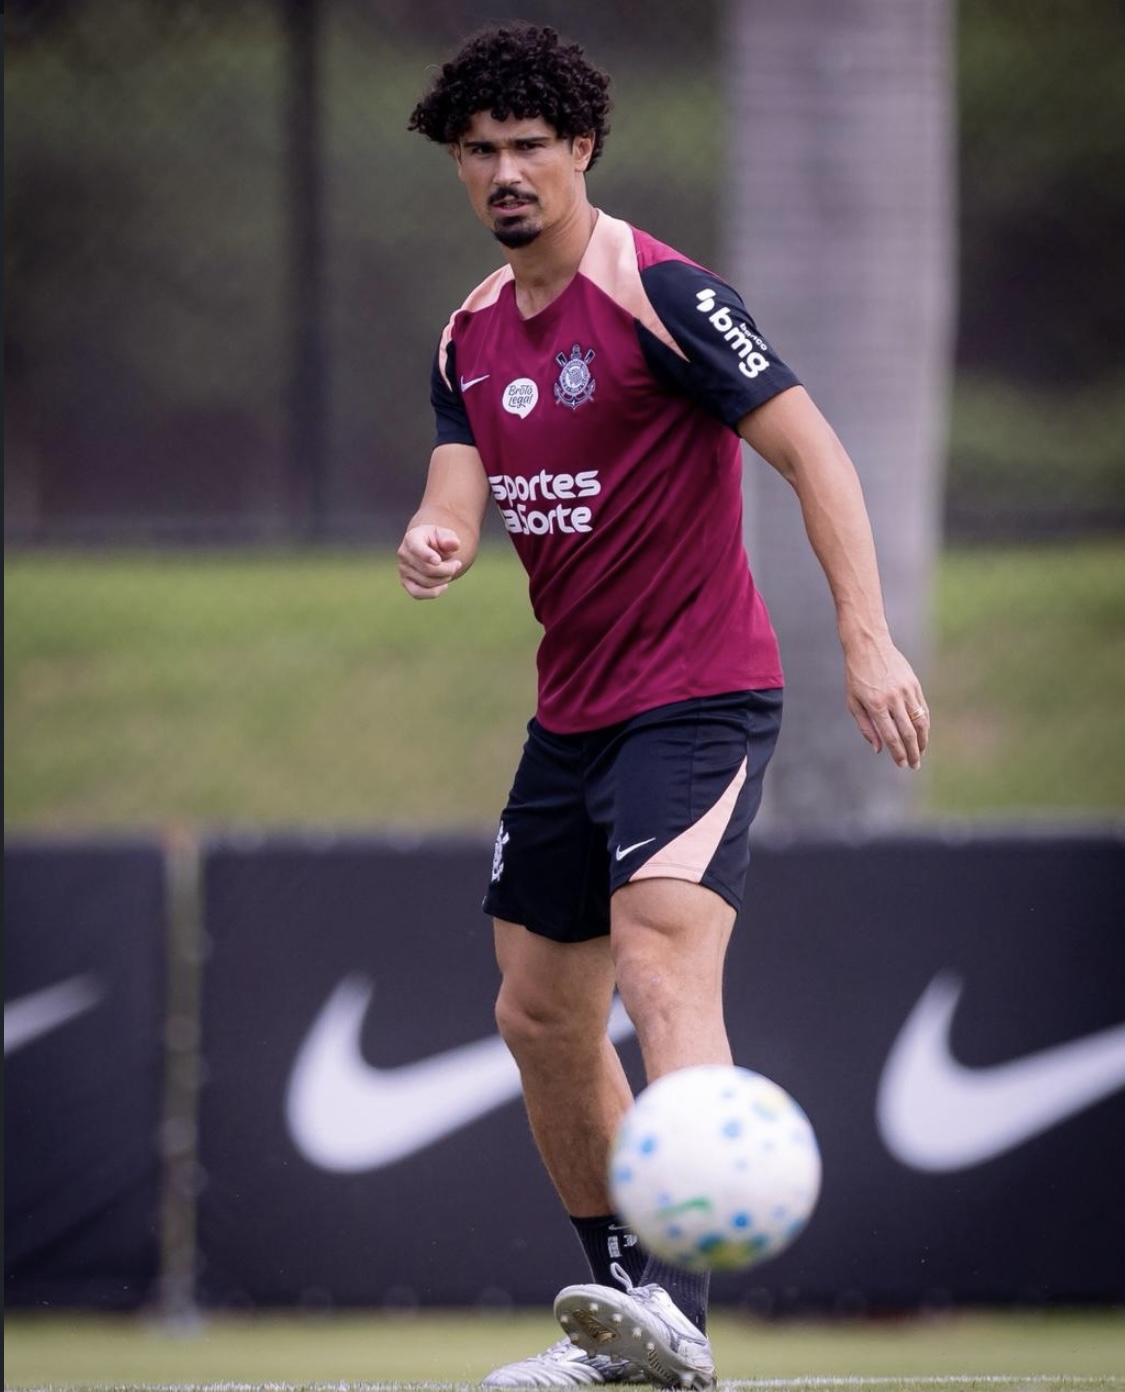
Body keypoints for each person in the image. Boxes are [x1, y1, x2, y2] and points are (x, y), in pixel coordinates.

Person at [399, 23, 930, 1390]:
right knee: (536, 1015)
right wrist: (436, 540)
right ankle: (624, 1303)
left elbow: (812, 452)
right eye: (481, 151)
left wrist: (866, 645)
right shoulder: (467, 332)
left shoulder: (663, 295)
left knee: (658, 959)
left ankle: (682, 1314)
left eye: (530, 145)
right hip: (569, 711)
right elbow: (457, 482)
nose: (507, 171)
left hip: (698, 696)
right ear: (458, 168)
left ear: (579, 150)